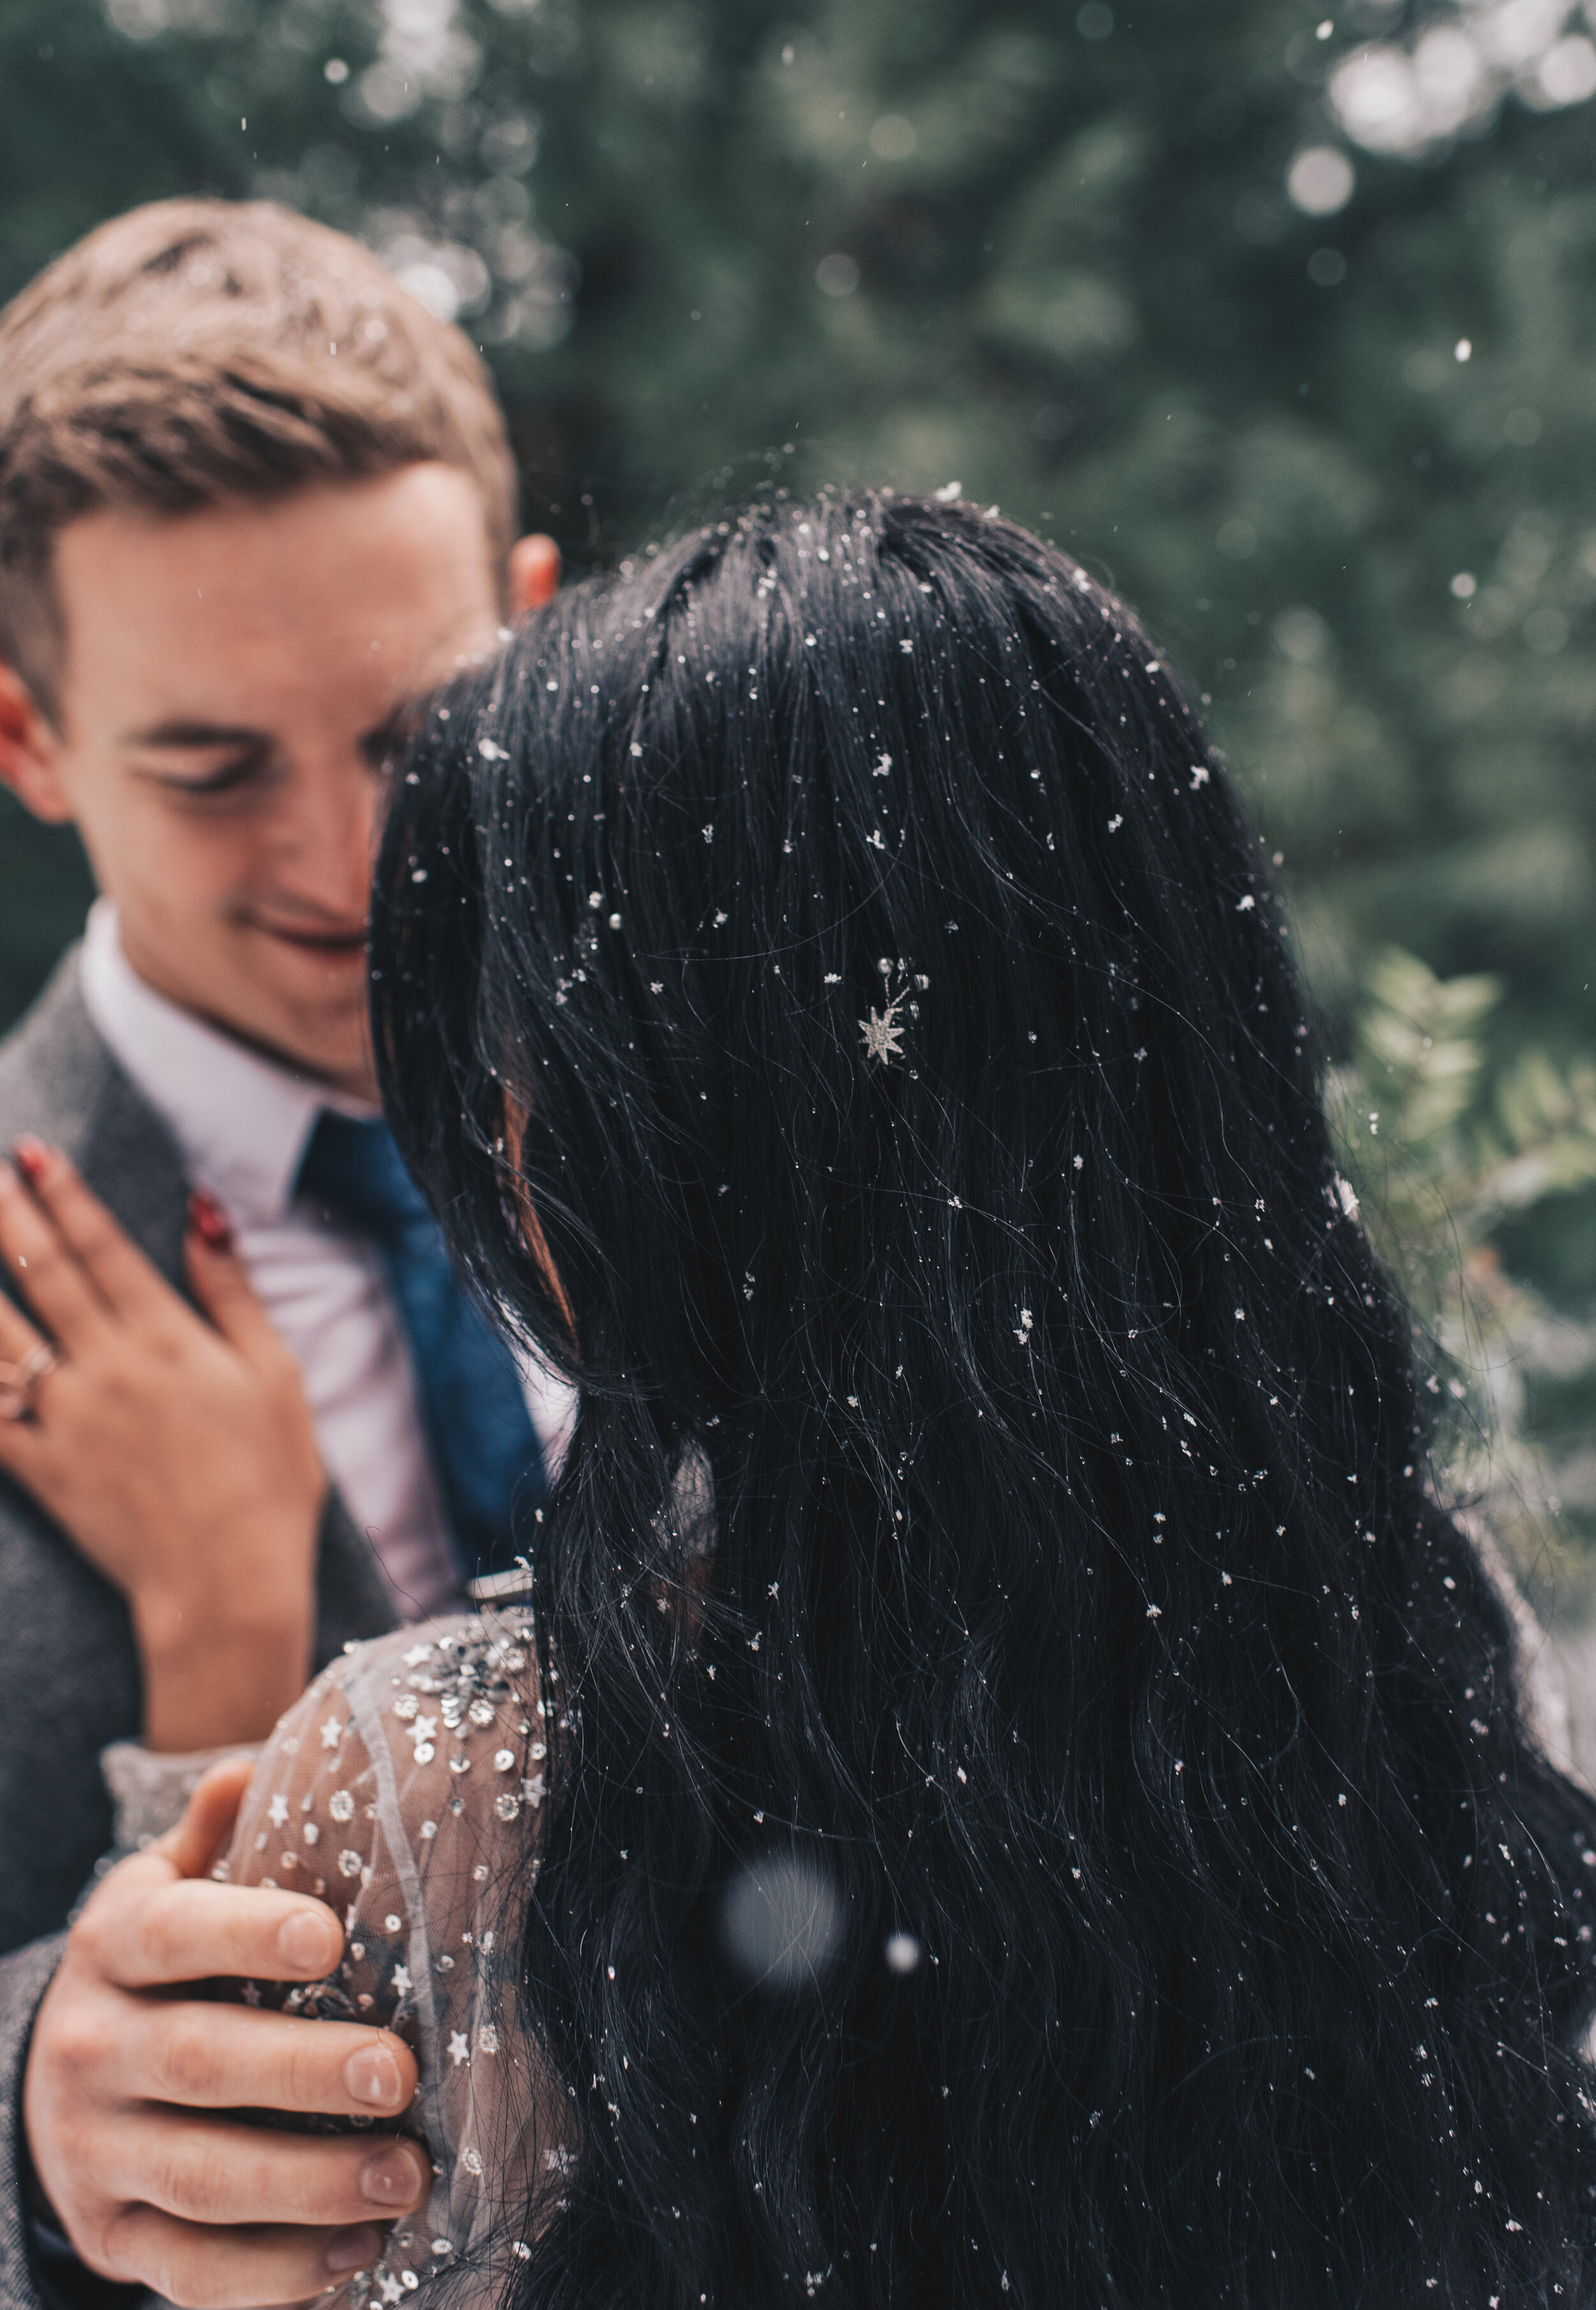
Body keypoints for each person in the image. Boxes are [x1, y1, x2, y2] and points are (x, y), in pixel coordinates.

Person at [32, 490, 1596, 2307]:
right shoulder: (1412, 1638)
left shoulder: (427, 1784)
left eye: (523, 1038)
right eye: (211, 766)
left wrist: (227, 1738)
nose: (327, 852)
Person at [0, 197, 570, 2302]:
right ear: (29, 737)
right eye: (213, 769)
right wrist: (35, 2105)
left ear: (528, 620)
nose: (352, 867)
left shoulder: (754, 1127)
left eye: (415, 734)